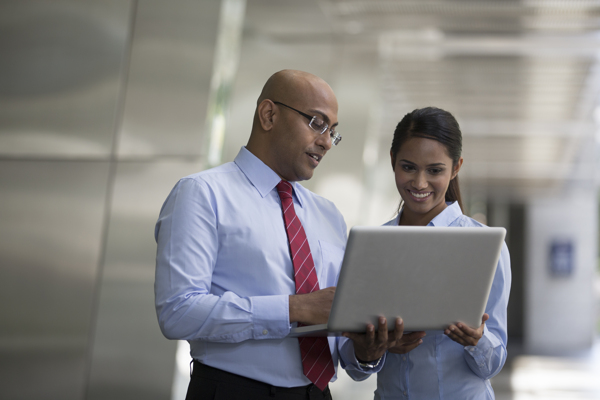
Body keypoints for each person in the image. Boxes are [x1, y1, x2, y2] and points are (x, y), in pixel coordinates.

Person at [154, 70, 409, 400]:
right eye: (317, 123)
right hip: (233, 391)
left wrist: (367, 351)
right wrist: (294, 308)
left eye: (333, 132)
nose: (327, 142)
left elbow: (342, 345)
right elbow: (178, 312)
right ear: (269, 115)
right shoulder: (202, 194)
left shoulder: (328, 215)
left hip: (316, 393)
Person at [347, 107, 512, 399]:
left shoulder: (484, 246)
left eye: (435, 170)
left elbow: (494, 363)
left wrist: (477, 340)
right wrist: (371, 350)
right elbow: (356, 367)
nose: (420, 183)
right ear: (392, 161)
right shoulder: (372, 246)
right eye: (408, 167)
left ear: (456, 167)